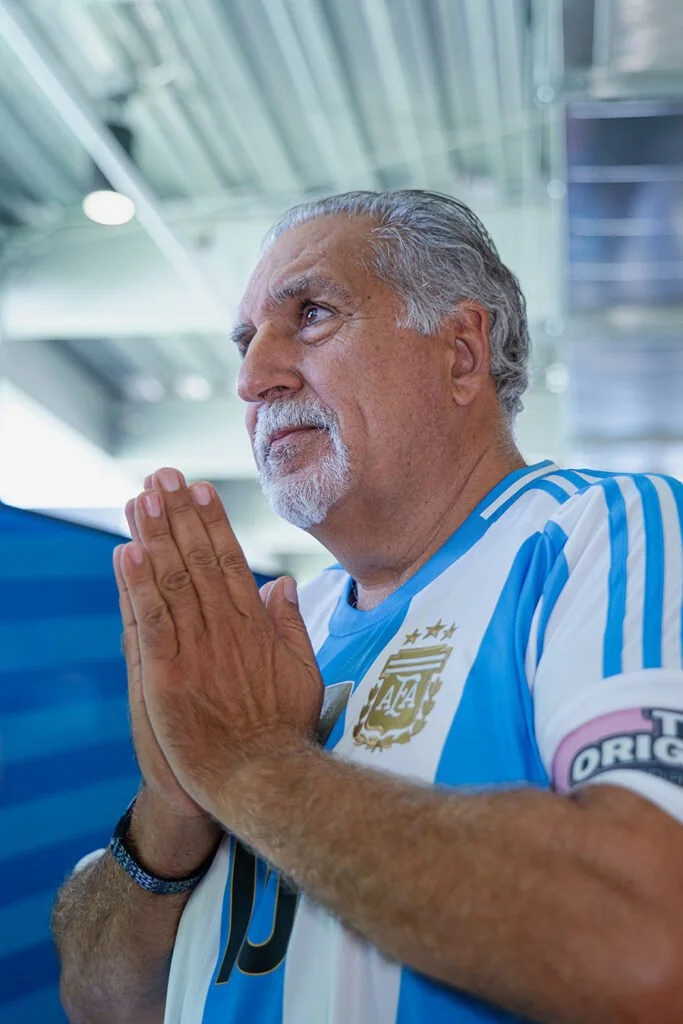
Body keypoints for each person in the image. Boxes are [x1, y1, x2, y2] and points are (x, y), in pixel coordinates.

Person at [52, 191, 683, 1024]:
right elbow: (102, 1004)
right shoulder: (272, 630)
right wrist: (173, 807)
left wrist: (248, 763)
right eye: (244, 342)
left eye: (310, 314)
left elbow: (644, 941)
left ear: (460, 352)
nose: (250, 379)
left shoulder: (595, 533)